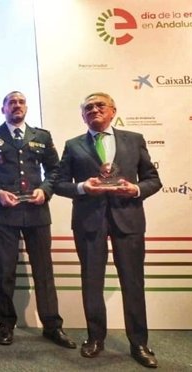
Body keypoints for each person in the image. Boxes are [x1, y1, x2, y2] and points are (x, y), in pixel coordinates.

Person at [54, 92, 161, 368]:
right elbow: (59, 183)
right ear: (82, 115)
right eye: (88, 107)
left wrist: (135, 189)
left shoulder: (133, 139)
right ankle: (95, 338)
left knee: (133, 282)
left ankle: (139, 342)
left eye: (100, 105)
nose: (94, 110)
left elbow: (153, 179)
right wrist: (81, 187)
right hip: (89, 221)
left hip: (128, 219)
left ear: (113, 110)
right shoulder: (73, 145)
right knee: (92, 281)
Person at [0, 91, 75, 348]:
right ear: (3, 109)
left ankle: (52, 326)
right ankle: (6, 326)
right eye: (11, 103)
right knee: (6, 272)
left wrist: (45, 189)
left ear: (26, 107)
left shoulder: (41, 136)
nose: (16, 106)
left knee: (44, 272)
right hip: (4, 213)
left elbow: (55, 170)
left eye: (21, 102)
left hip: (36, 213)